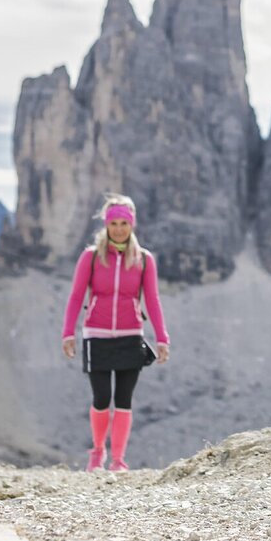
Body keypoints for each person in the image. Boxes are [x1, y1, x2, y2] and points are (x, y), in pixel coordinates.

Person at [62, 194, 170, 471]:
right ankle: (98, 452)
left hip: (130, 335)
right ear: (106, 225)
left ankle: (118, 460)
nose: (119, 228)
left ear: (132, 224)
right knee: (101, 398)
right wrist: (68, 333)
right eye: (114, 223)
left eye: (124, 223)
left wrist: (162, 338)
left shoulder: (144, 260)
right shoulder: (91, 257)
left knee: (123, 400)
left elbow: (153, 300)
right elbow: (76, 297)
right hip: (96, 335)